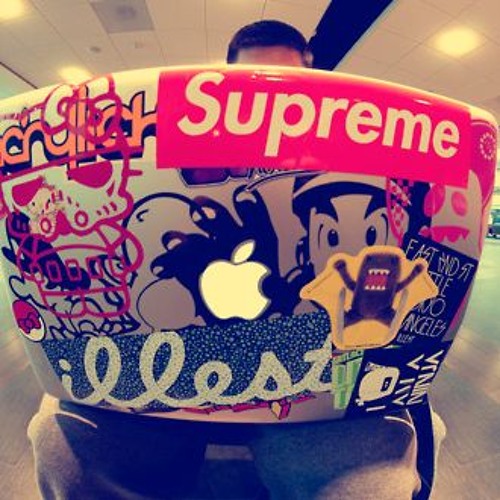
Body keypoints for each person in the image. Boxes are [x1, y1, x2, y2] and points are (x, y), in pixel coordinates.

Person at [27, 20, 443, 500]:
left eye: (289, 89)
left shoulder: (349, 172)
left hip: (318, 374)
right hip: (163, 364)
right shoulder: (177, 164)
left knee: (367, 486)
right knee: (63, 451)